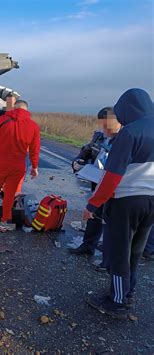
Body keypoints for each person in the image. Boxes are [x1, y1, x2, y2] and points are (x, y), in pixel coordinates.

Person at [84, 88, 154, 319]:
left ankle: (116, 302)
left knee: (118, 251)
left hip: (126, 201)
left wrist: (93, 205)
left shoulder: (130, 132)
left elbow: (112, 176)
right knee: (136, 250)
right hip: (151, 201)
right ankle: (127, 293)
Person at [69, 107, 121, 266]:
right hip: (96, 182)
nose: (105, 130)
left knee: (112, 222)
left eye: (108, 126)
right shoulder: (99, 136)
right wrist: (78, 161)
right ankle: (88, 245)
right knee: (94, 215)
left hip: (115, 187)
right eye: (102, 126)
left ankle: (109, 260)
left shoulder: (124, 139)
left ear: (118, 122)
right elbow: (86, 151)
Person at [0, 100, 40, 232]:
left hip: (0, 162)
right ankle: (4, 222)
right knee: (10, 194)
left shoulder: (3, 120)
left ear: (14, 108)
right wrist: (34, 167)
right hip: (18, 165)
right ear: (26, 109)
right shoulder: (33, 126)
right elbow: (35, 149)